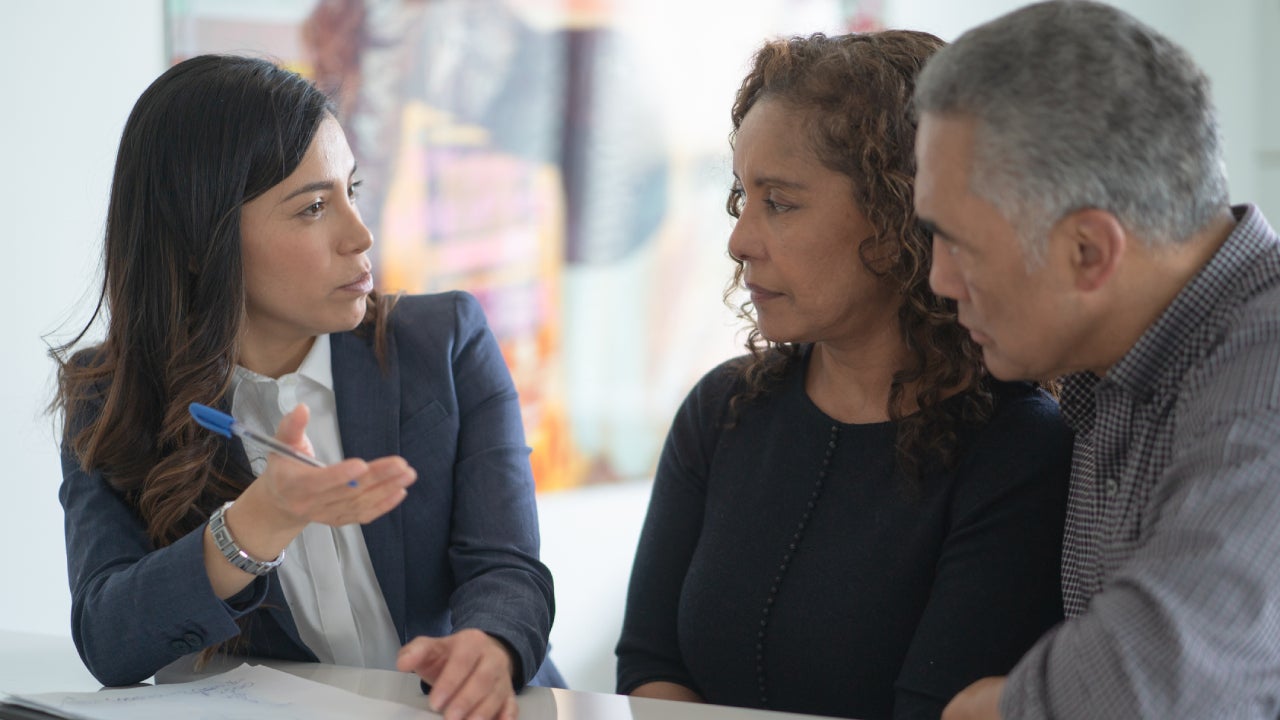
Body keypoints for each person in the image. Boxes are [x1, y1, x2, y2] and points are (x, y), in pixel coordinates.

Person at [50, 54, 561, 720]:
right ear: (202, 240)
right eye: (315, 207)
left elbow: (508, 569)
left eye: (352, 189)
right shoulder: (109, 395)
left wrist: (490, 646)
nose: (360, 235)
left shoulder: (446, 341)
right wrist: (259, 523)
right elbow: (108, 641)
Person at [614, 31, 1073, 720]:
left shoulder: (1018, 449)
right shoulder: (722, 409)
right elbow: (650, 665)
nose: (739, 240)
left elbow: (932, 709)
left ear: (899, 217)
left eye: (781, 202)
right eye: (743, 196)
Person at [912, 2, 1280, 718]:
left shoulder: (1264, 387)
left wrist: (998, 707)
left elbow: (1146, 689)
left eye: (958, 242)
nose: (938, 280)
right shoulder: (1117, 366)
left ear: (1089, 252)